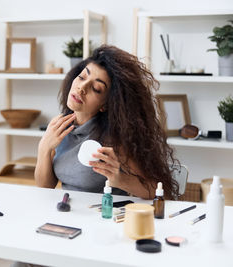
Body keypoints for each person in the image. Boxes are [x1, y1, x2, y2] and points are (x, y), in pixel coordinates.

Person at [35, 44, 179, 200]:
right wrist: (44, 148)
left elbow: (157, 190)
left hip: (104, 216)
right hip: (67, 212)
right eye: (82, 77)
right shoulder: (59, 125)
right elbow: (45, 187)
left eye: (96, 88)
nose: (82, 87)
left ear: (106, 105)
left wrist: (119, 180)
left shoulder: (113, 140)